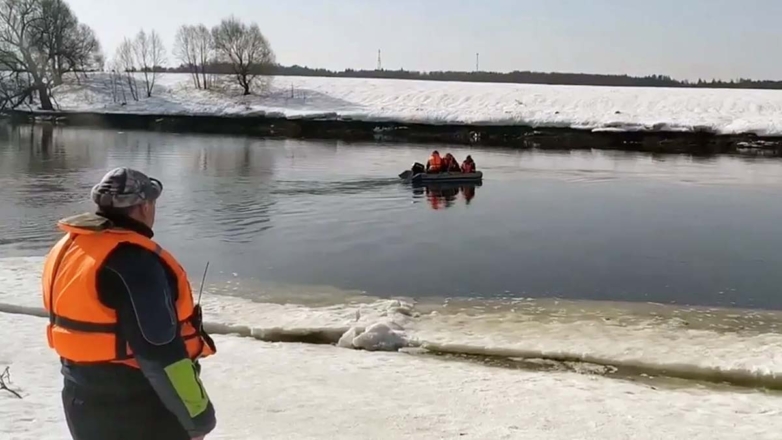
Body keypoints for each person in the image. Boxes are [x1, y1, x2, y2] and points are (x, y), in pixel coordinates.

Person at [41, 167, 218, 440]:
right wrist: (198, 418)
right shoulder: (135, 263)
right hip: (136, 406)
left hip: (80, 395)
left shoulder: (71, 246)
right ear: (145, 206)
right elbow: (160, 353)